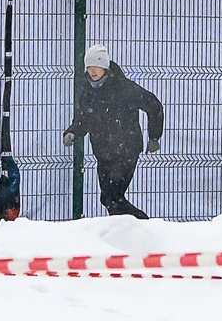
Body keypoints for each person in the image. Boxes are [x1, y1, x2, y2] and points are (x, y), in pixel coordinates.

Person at [61, 43, 165, 219]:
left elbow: (154, 106)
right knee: (110, 200)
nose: (92, 71)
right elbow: (84, 118)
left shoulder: (124, 88)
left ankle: (145, 227)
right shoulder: (87, 91)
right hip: (103, 153)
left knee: (111, 196)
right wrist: (73, 132)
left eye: (97, 67)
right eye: (89, 67)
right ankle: (125, 232)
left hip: (126, 151)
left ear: (105, 68)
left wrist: (154, 137)